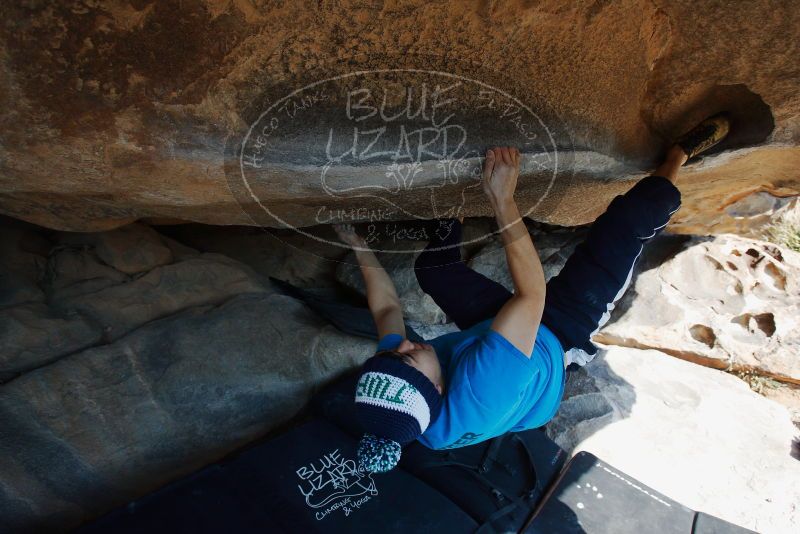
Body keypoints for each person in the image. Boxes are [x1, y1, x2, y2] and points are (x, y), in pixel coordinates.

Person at [335, 114, 730, 473]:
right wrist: (503, 200)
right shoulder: (481, 390)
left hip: (492, 340)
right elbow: (531, 297)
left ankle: (450, 205)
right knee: (622, 232)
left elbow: (387, 307)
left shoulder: (397, 389)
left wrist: (357, 245)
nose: (404, 345)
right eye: (407, 358)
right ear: (437, 390)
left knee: (435, 270)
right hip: (558, 338)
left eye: (391, 352)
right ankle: (677, 157)